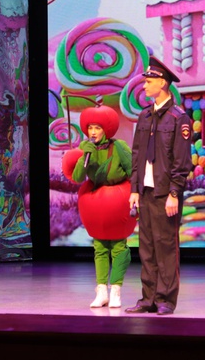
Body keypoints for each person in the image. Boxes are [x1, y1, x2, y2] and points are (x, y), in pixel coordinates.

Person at [124, 56, 193, 316]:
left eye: (149, 81)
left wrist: (174, 192)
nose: (144, 85)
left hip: (165, 193)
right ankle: (148, 298)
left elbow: (181, 161)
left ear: (162, 83)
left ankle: (166, 299)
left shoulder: (178, 118)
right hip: (145, 191)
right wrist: (134, 189)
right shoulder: (144, 116)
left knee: (166, 247)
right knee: (147, 247)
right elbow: (137, 155)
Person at [71, 103, 133, 309]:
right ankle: (101, 291)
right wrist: (84, 156)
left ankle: (116, 290)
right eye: (90, 128)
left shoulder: (119, 147)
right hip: (96, 203)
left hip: (118, 201)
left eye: (97, 128)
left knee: (118, 246)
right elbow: (77, 177)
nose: (93, 132)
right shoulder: (87, 149)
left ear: (106, 129)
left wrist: (136, 194)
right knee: (99, 247)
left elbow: (133, 170)